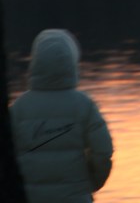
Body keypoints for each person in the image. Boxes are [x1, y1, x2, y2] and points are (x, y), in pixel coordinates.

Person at [9, 28, 113, 203]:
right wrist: (90, 184)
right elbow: (102, 153)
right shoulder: (84, 106)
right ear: (72, 62)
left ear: (35, 63)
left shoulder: (18, 109)